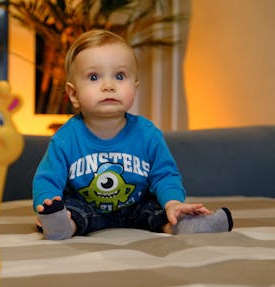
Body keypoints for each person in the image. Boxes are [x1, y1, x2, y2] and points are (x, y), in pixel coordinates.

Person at [32, 29, 233, 240]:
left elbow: (165, 175)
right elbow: (47, 179)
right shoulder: (66, 138)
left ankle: (182, 225)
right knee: (70, 208)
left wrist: (173, 203)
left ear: (134, 87)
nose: (109, 86)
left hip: (137, 206)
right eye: (94, 77)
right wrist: (47, 204)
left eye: (120, 76)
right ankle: (61, 226)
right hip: (85, 206)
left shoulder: (148, 134)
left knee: (158, 210)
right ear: (73, 94)